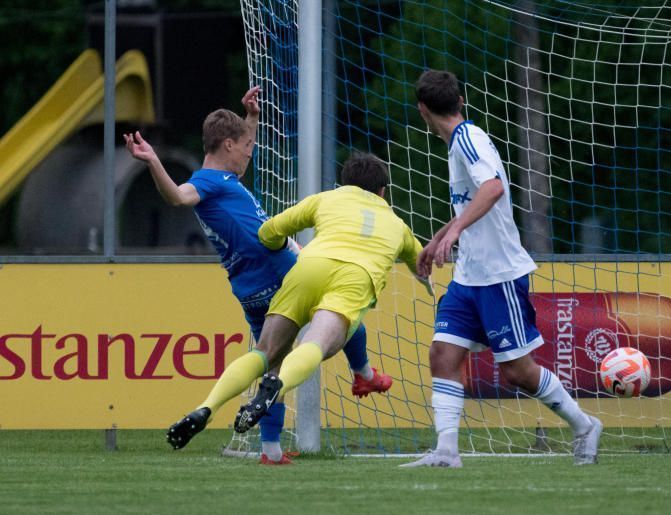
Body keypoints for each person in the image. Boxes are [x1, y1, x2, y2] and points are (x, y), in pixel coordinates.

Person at [123, 87, 392, 464]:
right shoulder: (207, 182)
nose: (251, 149)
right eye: (245, 144)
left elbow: (233, 166)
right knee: (345, 311)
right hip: (280, 269)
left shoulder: (224, 180)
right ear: (228, 145)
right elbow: (178, 198)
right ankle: (364, 373)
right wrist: (153, 161)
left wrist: (251, 118)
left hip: (248, 286)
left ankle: (270, 450)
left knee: (271, 366)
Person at [401, 70, 602, 468]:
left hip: (498, 277)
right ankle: (446, 452)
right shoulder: (459, 143)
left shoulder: (468, 139)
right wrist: (440, 237)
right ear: (460, 100)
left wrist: (454, 229)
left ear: (422, 109)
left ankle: (584, 425)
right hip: (468, 277)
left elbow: (492, 188)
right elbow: (471, 202)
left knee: (516, 371)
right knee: (443, 353)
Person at [165, 151, 429, 447]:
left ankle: (208, 407)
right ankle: (277, 386)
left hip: (308, 268)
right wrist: (431, 288)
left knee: (265, 352)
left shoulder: (325, 199)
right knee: (313, 345)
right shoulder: (399, 226)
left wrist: (278, 243)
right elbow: (422, 267)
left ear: (344, 183)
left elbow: (268, 232)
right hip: (353, 278)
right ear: (383, 192)